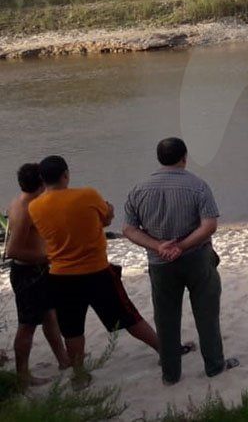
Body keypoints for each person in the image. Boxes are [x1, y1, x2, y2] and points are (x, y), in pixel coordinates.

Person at [27, 155, 170, 388]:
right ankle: (164, 352)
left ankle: (80, 375)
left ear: (42, 179)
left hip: (61, 275)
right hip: (96, 271)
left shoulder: (35, 207)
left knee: (72, 328)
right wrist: (109, 209)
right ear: (66, 175)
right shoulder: (87, 195)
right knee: (128, 316)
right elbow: (107, 217)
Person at [123, 138, 238, 385]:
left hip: (160, 262)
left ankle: (171, 374)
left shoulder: (139, 189)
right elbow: (209, 225)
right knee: (206, 314)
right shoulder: (197, 186)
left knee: (165, 318)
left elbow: (129, 229)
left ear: (158, 158)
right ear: (184, 156)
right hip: (196, 258)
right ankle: (215, 366)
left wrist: (158, 246)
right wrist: (183, 246)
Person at [4, 164, 71, 388]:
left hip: (38, 271)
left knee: (50, 316)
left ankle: (63, 360)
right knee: (27, 325)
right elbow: (11, 251)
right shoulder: (24, 209)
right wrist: (47, 256)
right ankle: (23, 375)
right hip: (27, 273)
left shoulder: (24, 202)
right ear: (41, 183)